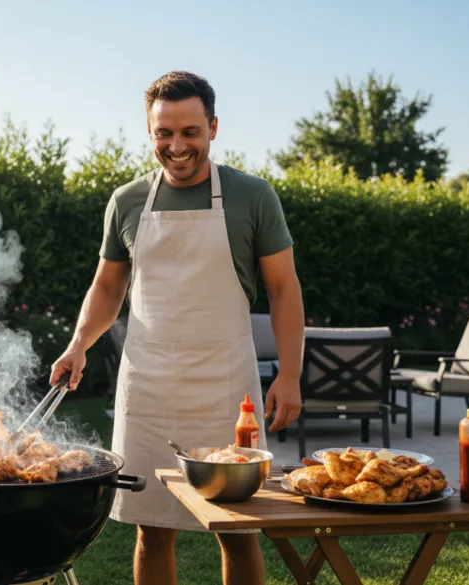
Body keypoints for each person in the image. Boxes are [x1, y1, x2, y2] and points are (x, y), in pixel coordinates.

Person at [49, 71, 305, 585]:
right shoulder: (127, 200)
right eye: (164, 133)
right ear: (150, 131)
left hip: (227, 389)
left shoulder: (253, 195)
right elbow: (107, 287)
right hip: (148, 385)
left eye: (190, 132)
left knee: (238, 527)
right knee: (152, 528)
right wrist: (78, 345)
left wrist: (290, 375)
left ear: (213, 128)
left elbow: (284, 289)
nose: (177, 146)